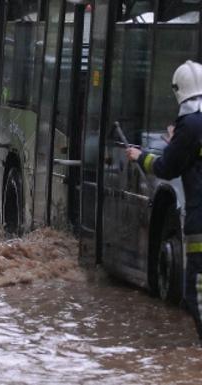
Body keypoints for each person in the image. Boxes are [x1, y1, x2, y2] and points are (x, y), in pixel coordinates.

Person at [126, 60, 202, 341]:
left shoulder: (190, 125)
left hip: (200, 226)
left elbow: (168, 168)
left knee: (196, 296)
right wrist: (178, 144)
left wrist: (139, 157)